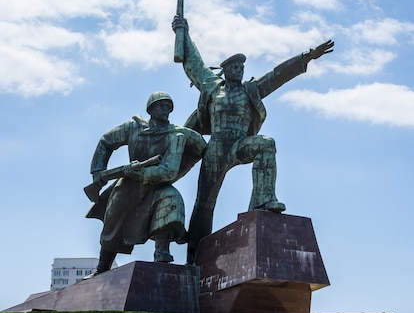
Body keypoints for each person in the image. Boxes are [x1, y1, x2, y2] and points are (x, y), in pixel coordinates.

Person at [172, 16, 334, 263]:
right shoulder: (212, 87)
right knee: (204, 204)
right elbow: (194, 62)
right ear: (225, 70)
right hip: (216, 147)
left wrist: (306, 57)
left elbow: (277, 75)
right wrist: (183, 31)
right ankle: (194, 255)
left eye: (241, 67)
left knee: (266, 144)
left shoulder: (251, 89)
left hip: (239, 144)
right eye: (234, 67)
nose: (239, 70)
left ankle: (262, 200)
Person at [85, 91, 206, 273]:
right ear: (150, 108)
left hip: (157, 186)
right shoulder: (133, 127)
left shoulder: (176, 136)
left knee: (172, 201)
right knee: (113, 224)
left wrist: (139, 173)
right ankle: (102, 267)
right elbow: (106, 142)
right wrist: (97, 172)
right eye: (161, 105)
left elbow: (169, 170)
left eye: (168, 107)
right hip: (128, 187)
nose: (165, 109)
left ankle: (162, 257)